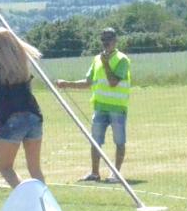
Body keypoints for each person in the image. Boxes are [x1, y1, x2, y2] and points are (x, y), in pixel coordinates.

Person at [56, 27, 131, 182]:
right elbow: (88, 82)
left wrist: (106, 64)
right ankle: (95, 173)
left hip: (117, 108)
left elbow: (113, 82)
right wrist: (67, 83)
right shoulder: (97, 59)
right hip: (100, 107)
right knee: (95, 141)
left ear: (115, 41)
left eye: (109, 40)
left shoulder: (122, 59)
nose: (106, 43)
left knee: (119, 142)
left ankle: (116, 174)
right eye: (103, 40)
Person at [0, 27, 45, 189]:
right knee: (35, 168)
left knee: (5, 167)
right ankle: (43, 200)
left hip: (11, 121)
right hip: (34, 117)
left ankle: (26, 197)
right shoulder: (23, 66)